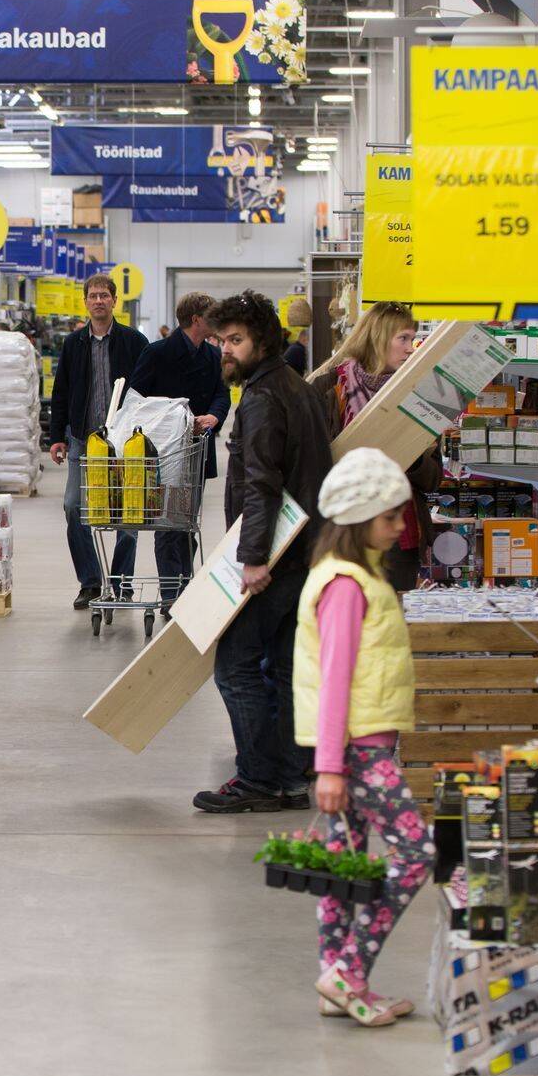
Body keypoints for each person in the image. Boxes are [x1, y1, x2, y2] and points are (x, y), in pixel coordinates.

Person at [297, 448, 431, 1027]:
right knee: (415, 853)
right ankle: (348, 971)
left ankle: (336, 980)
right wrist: (330, 766)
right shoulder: (347, 586)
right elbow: (334, 678)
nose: (400, 527)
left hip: (355, 745)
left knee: (344, 863)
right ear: (358, 520)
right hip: (357, 749)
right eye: (389, 518)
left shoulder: (357, 575)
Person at [192, 290, 333, 815]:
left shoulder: (263, 398)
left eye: (236, 340)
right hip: (306, 552)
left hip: (276, 557)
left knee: (236, 667)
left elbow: (262, 485)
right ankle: (293, 776)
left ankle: (257, 779)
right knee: (286, 668)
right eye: (221, 340)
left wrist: (253, 560)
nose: (225, 350)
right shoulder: (295, 387)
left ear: (262, 342)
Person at [312, 302, 440, 591]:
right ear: (378, 337)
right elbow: (311, 464)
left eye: (413, 338)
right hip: (344, 530)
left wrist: (410, 456)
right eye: (403, 338)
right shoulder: (330, 389)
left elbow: (434, 479)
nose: (411, 347)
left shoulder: (419, 396)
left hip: (398, 536)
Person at [46, 273, 148, 611]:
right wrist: (56, 436)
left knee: (128, 514)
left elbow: (148, 389)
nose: (99, 301)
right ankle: (90, 582)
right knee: (73, 506)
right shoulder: (74, 344)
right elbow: (60, 392)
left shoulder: (134, 341)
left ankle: (121, 585)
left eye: (105, 295)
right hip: (82, 440)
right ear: (86, 301)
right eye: (93, 296)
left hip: (123, 442)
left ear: (115, 300)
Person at [127, 291, 226, 611]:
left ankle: (184, 586)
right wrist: (172, 419)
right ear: (197, 319)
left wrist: (215, 415)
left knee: (187, 524)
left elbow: (222, 395)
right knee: (168, 526)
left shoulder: (213, 357)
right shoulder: (157, 353)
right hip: (165, 455)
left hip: (197, 454)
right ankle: (172, 596)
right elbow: (136, 401)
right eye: (212, 314)